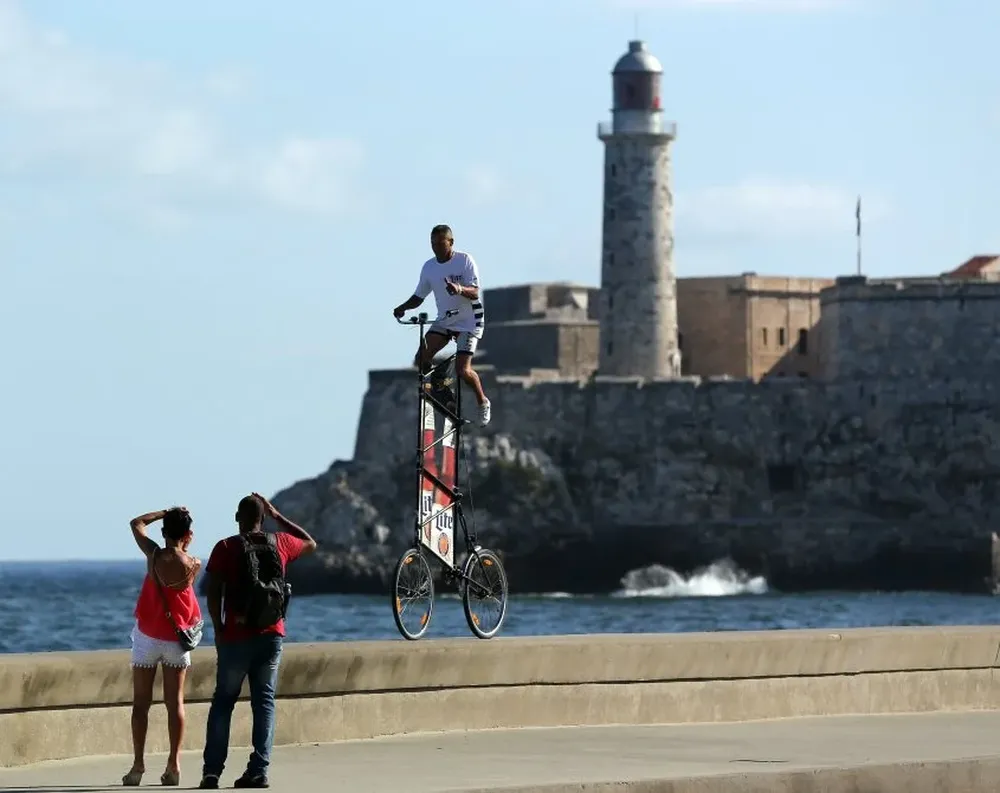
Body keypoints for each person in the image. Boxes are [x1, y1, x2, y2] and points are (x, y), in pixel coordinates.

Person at [198, 492, 317, 790]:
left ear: (238, 517)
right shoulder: (281, 542)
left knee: (224, 702)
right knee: (264, 702)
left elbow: (213, 591)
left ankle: (212, 773)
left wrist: (218, 627)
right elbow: (310, 542)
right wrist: (278, 516)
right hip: (272, 634)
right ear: (262, 519)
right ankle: (259, 770)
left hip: (236, 636)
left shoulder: (226, 546)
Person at [124, 506, 203, 787]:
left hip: (147, 635)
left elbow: (136, 522)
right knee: (175, 703)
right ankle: (174, 765)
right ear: (188, 535)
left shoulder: (153, 555)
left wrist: (165, 511)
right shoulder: (195, 563)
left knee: (141, 704)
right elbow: (182, 566)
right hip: (176, 637)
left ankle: (137, 767)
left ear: (163, 532)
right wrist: (184, 544)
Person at [393, 224, 492, 427]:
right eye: (433, 244)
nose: (436, 248)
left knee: (463, 371)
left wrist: (458, 288)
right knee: (421, 359)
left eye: (440, 244)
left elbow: (474, 292)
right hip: (445, 319)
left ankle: (483, 402)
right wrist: (403, 307)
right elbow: (419, 296)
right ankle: (442, 389)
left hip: (469, 321)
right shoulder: (429, 267)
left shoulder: (465, 260)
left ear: (451, 242)